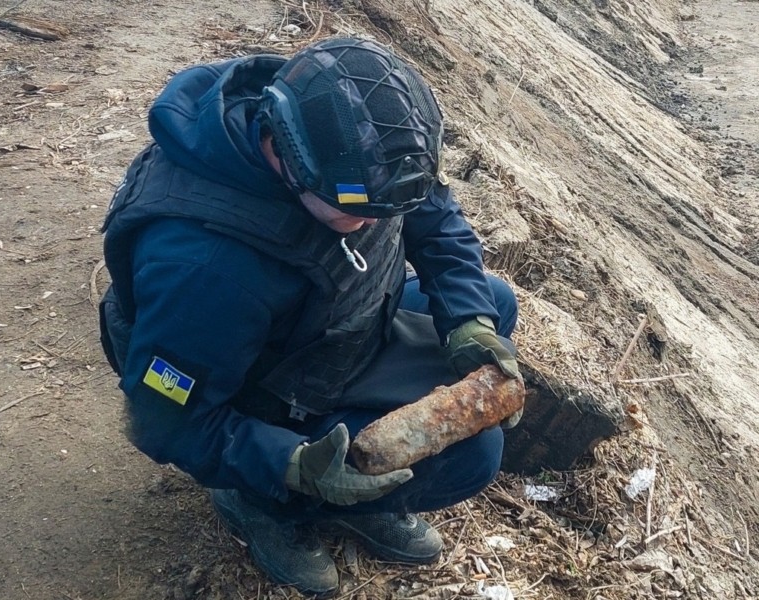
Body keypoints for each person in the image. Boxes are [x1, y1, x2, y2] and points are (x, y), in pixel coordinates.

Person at [98, 37, 521, 598]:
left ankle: (361, 497)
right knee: (474, 455)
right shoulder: (207, 271)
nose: (379, 222)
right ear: (290, 164)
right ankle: (263, 504)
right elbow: (164, 418)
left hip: (326, 327)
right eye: (362, 211)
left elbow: (435, 220)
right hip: (257, 380)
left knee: (494, 302)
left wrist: (470, 321)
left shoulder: (355, 146)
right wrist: (292, 464)